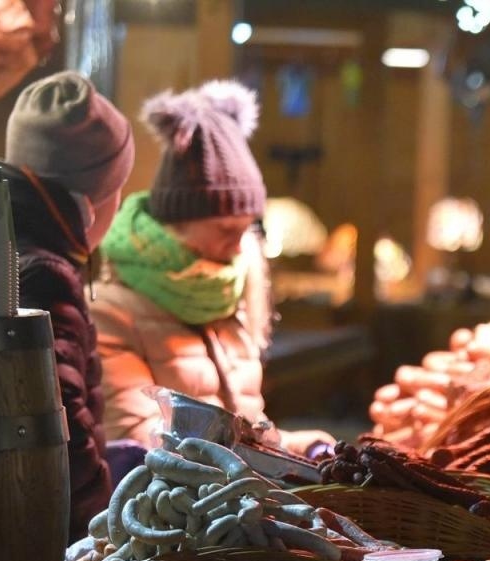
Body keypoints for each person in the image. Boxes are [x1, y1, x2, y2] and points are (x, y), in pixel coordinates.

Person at [0, 72, 134, 549]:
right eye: (119, 189)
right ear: (93, 203)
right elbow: (61, 432)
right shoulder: (44, 276)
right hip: (25, 545)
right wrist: (105, 542)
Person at [93, 80, 328, 455]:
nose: (238, 248)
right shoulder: (110, 315)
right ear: (178, 222)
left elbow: (247, 434)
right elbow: (145, 441)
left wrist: (303, 448)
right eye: (224, 230)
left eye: (246, 230)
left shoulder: (230, 299)